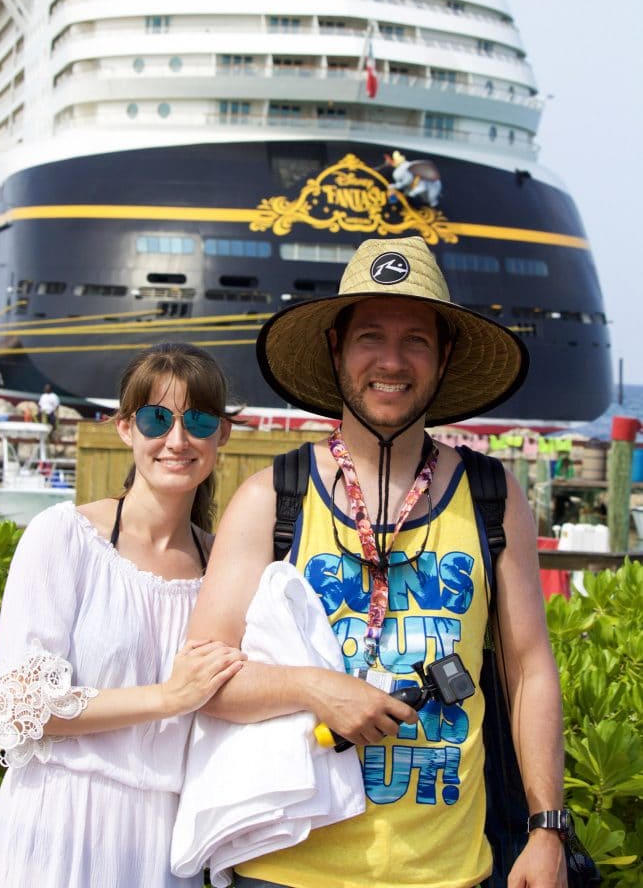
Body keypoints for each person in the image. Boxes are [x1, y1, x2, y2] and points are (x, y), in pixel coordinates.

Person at [189, 237, 568, 888]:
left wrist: (546, 828)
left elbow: (529, 667)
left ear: (443, 356)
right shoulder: (269, 499)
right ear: (335, 349)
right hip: (283, 870)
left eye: (415, 340)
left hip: (448, 873)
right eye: (369, 336)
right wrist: (315, 689)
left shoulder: (490, 494)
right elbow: (199, 680)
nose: (390, 362)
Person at [0, 342, 244, 887]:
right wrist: (169, 697)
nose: (177, 439)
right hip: (57, 825)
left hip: (166, 845)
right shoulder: (64, 536)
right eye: (156, 418)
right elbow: (22, 705)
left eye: (197, 419)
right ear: (126, 429)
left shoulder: (225, 569)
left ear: (222, 434)